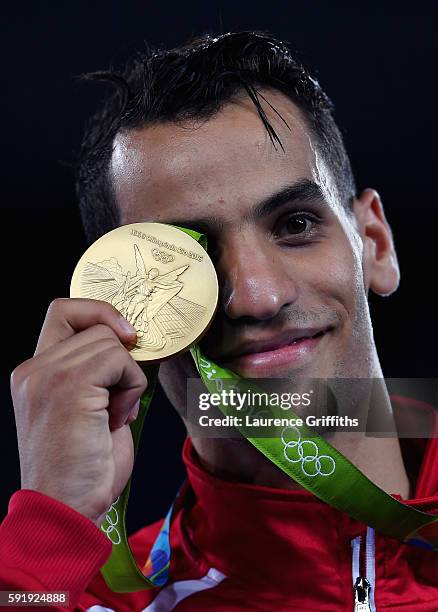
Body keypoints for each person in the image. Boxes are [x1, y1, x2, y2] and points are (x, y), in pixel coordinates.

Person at [2, 31, 438, 611]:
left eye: (296, 223)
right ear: (121, 307)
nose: (255, 297)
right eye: (192, 256)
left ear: (375, 244)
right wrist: (49, 526)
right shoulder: (70, 595)